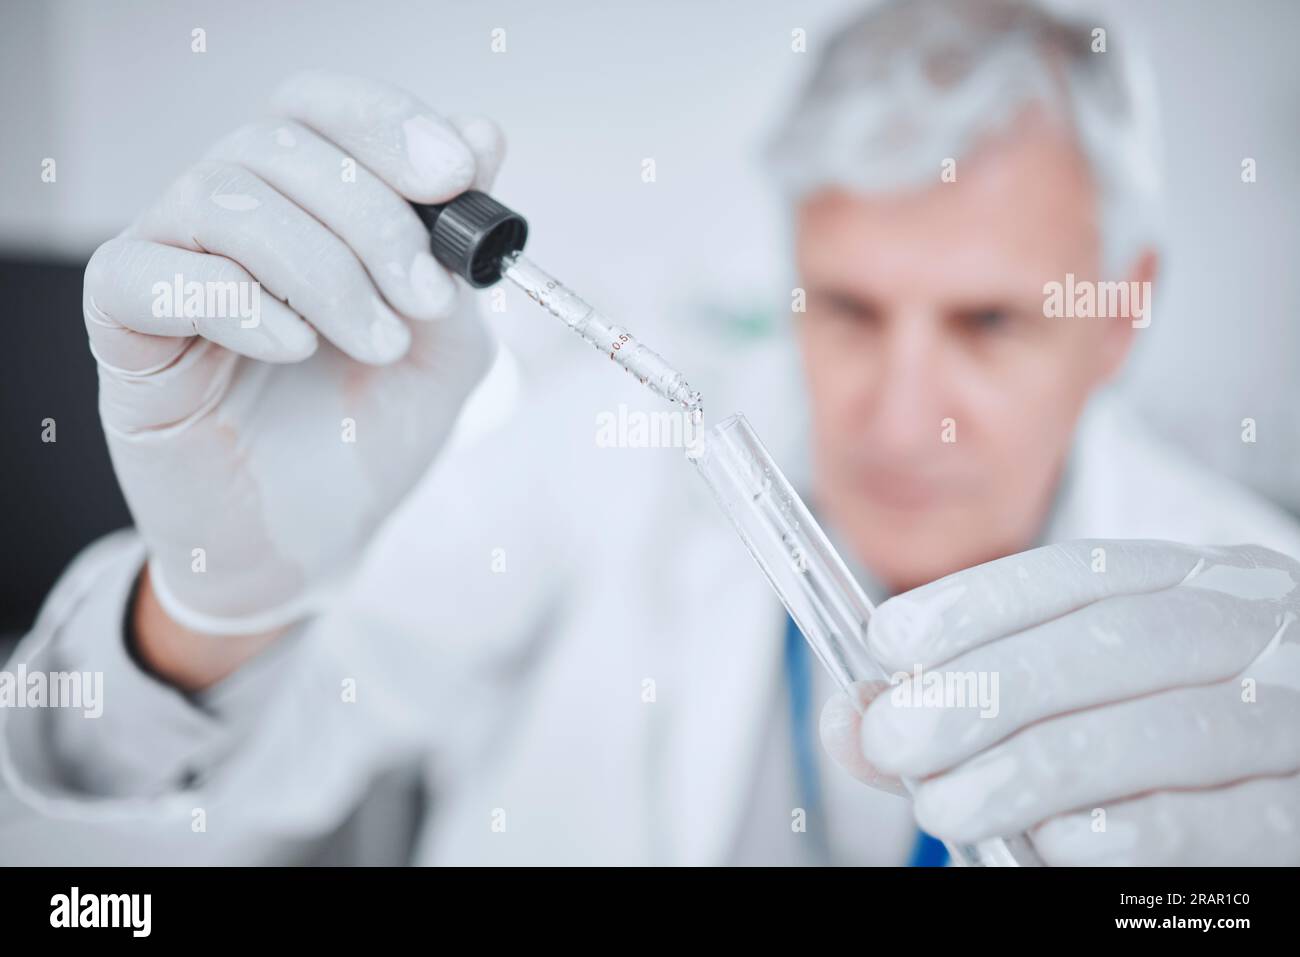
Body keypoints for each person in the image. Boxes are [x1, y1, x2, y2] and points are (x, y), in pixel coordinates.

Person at [3, 0, 1298, 866]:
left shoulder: (1258, 634)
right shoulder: (600, 464)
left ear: (1120, 312)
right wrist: (218, 606)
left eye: (991, 323)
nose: (901, 415)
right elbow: (118, 848)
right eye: (846, 307)